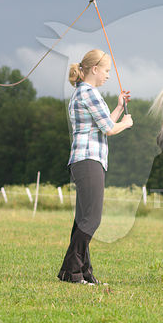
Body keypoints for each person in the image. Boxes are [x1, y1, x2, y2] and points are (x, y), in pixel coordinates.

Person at [58, 49, 133, 285]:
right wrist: (126, 123)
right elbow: (110, 129)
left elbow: (103, 123)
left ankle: (83, 272)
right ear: (95, 69)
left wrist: (119, 107)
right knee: (92, 219)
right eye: (107, 71)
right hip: (89, 160)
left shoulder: (83, 93)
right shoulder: (90, 93)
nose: (108, 76)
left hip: (84, 160)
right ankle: (72, 271)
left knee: (83, 219)